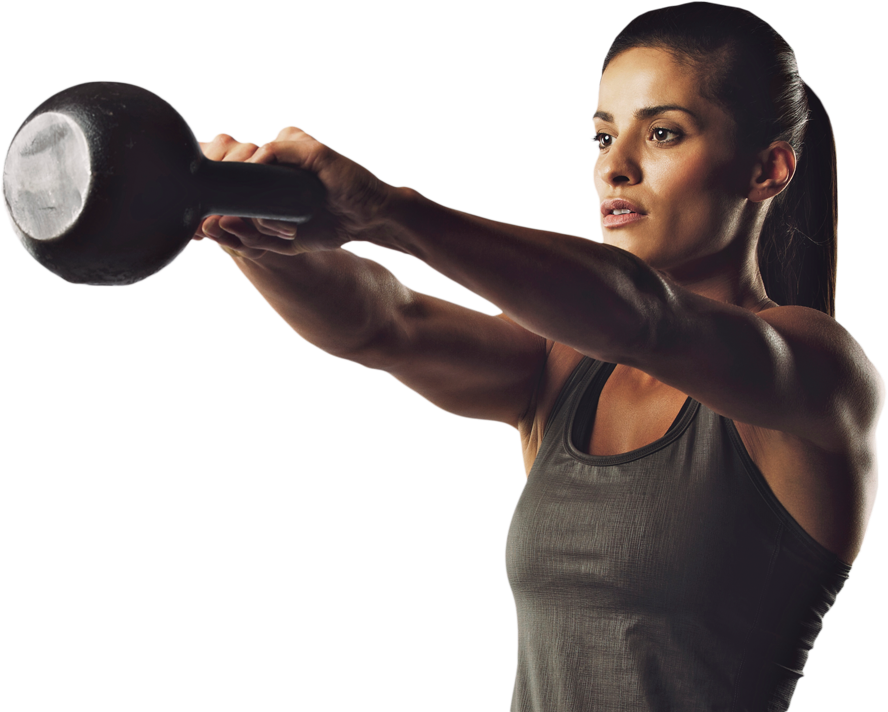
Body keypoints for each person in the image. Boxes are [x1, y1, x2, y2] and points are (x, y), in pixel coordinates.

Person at [192, 2, 882, 709]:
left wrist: (388, 211)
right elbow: (384, 324)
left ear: (766, 170)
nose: (616, 168)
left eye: (664, 134)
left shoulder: (817, 372)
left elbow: (647, 318)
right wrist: (245, 232)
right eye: (602, 137)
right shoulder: (563, 366)